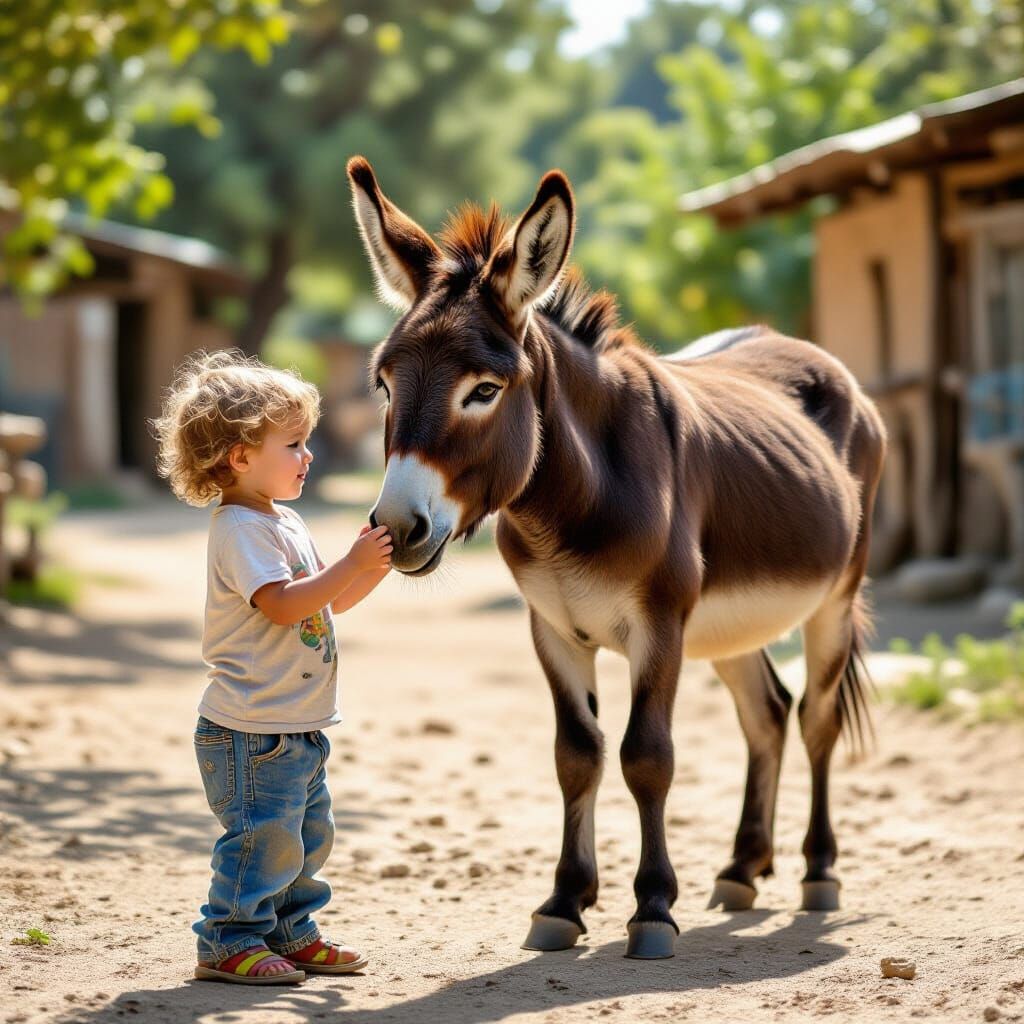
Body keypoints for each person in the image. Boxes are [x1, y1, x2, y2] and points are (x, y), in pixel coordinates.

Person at [152, 350, 392, 985]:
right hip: (250, 730)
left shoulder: (282, 520)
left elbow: (327, 601)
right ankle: (228, 939)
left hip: (294, 724)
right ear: (239, 457)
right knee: (263, 841)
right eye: (293, 444)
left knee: (306, 838)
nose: (307, 455)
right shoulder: (240, 529)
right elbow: (283, 605)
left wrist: (368, 569)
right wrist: (350, 563)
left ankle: (289, 930)